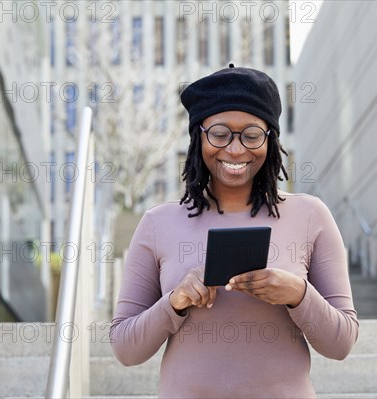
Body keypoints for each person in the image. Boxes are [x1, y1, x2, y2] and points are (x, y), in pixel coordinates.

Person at [110, 64, 358, 398]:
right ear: (199, 136)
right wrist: (176, 302)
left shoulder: (311, 215)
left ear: (270, 139)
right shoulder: (159, 223)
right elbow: (126, 349)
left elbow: (341, 343)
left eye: (252, 135)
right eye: (220, 133)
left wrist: (298, 294)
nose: (236, 149)